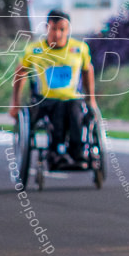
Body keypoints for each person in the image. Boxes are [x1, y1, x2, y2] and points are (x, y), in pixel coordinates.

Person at [9, 9, 97, 170]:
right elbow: (20, 72)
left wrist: (91, 98)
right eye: (53, 29)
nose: (57, 34)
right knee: (57, 110)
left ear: (68, 30)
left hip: (72, 98)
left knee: (77, 112)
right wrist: (15, 103)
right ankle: (56, 153)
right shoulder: (35, 50)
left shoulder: (79, 49)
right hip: (45, 100)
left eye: (62, 29)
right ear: (47, 28)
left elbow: (87, 71)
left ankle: (77, 152)